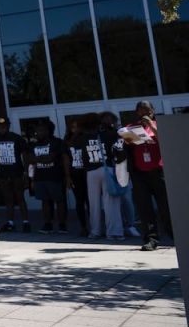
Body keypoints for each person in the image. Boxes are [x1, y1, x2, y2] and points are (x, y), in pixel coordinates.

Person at [125, 101, 172, 252]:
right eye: (141, 110)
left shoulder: (160, 124)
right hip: (140, 173)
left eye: (147, 109)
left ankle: (174, 234)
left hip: (159, 172)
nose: (144, 112)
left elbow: (167, 141)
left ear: (153, 110)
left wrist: (151, 125)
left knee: (166, 206)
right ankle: (151, 239)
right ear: (137, 112)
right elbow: (128, 146)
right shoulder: (132, 127)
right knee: (145, 208)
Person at [71, 113, 124, 240]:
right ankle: (113, 232)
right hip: (107, 169)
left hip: (91, 172)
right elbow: (120, 144)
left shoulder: (81, 138)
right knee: (110, 202)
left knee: (93, 203)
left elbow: (75, 147)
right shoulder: (109, 135)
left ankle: (95, 231)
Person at [29, 120, 69, 234]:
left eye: (41, 130)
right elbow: (31, 160)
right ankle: (48, 224)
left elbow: (56, 158)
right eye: (37, 130)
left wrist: (67, 176)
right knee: (45, 201)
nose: (38, 132)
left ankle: (62, 224)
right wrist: (32, 179)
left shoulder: (57, 142)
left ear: (48, 131)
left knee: (60, 201)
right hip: (40, 178)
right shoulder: (34, 144)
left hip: (55, 177)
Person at [0, 118, 30, 233]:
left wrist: (26, 172)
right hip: (2, 174)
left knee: (20, 198)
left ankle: (26, 222)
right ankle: (10, 223)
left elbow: (25, 155)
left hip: (17, 172)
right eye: (0, 126)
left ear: (8, 126)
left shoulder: (17, 138)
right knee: (8, 199)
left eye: (4, 126)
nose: (2, 128)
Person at [66, 117, 91, 238]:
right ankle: (83, 227)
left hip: (88, 174)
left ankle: (94, 226)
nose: (76, 129)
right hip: (75, 175)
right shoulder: (67, 141)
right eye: (73, 127)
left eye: (78, 127)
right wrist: (68, 177)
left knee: (90, 201)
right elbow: (65, 160)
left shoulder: (86, 139)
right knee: (79, 201)